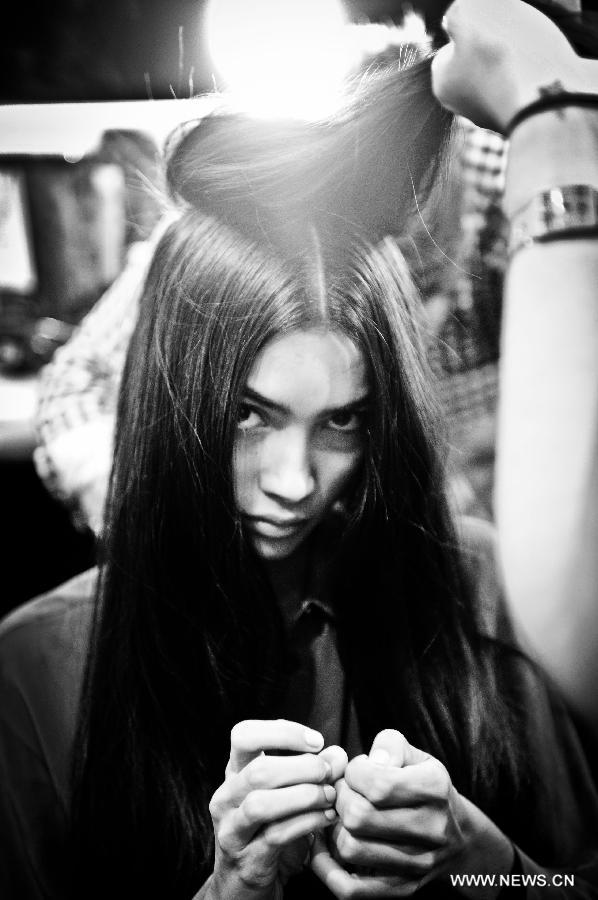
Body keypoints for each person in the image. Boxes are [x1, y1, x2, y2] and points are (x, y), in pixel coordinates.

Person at [1, 3, 598, 900]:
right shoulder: (39, 663)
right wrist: (229, 890)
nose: (293, 484)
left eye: (343, 423)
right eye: (248, 415)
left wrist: (490, 871)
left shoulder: (487, 594)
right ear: (179, 395)